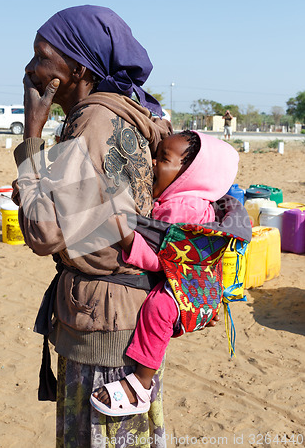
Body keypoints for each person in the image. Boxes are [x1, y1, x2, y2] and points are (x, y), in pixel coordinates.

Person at [12, 5, 176, 448]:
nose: (30, 68)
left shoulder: (91, 121)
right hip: (131, 315)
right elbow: (94, 212)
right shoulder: (133, 113)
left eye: (42, 56)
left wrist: (31, 137)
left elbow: (44, 233)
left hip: (101, 328)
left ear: (78, 67)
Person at [91, 130, 239, 416]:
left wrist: (126, 238)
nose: (153, 165)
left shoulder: (181, 207)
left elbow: (164, 258)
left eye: (163, 159)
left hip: (185, 286)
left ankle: (141, 385)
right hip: (196, 282)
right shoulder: (188, 200)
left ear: (189, 175)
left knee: (158, 307)